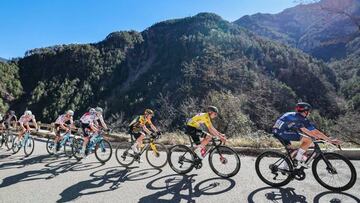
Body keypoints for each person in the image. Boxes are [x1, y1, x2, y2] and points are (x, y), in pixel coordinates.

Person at [272, 102, 340, 168]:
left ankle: (283, 167)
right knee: (308, 140)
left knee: (292, 151)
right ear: (305, 111)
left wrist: (316, 137)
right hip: (281, 132)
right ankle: (297, 160)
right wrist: (329, 140)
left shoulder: (295, 116)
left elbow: (306, 130)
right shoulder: (301, 119)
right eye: (309, 111)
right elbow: (315, 132)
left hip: (278, 131)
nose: (309, 113)